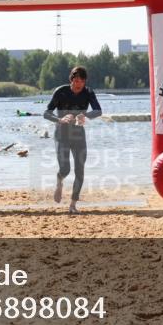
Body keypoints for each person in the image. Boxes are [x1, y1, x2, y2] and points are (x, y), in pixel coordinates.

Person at [43, 66, 102, 215]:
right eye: (76, 80)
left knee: (80, 171)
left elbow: (98, 110)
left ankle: (73, 204)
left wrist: (86, 116)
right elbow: (46, 113)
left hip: (78, 135)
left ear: (85, 81)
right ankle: (59, 181)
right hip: (61, 134)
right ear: (71, 80)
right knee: (65, 169)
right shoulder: (61, 92)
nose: (79, 84)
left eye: (82, 81)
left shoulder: (88, 92)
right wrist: (60, 119)